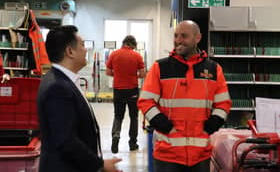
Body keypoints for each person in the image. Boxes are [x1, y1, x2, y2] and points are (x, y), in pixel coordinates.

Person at [137, 20, 232, 172]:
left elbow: (223, 104)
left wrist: (211, 126)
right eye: (176, 36)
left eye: (184, 36)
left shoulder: (214, 70)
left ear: (197, 38)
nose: (178, 40)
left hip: (201, 156)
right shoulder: (159, 67)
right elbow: (146, 102)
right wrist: (165, 127)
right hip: (167, 155)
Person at [37, 25, 122, 172]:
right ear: (70, 51)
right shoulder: (58, 88)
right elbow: (66, 141)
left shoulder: (63, 81)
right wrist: (100, 165)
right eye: (82, 45)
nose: (86, 49)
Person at [106, 35, 146, 154]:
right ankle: (132, 143)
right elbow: (143, 74)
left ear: (123, 43)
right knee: (133, 117)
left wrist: (118, 75)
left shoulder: (113, 54)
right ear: (133, 44)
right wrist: (133, 76)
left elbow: (108, 72)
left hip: (118, 90)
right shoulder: (137, 56)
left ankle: (115, 139)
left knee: (118, 115)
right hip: (132, 90)